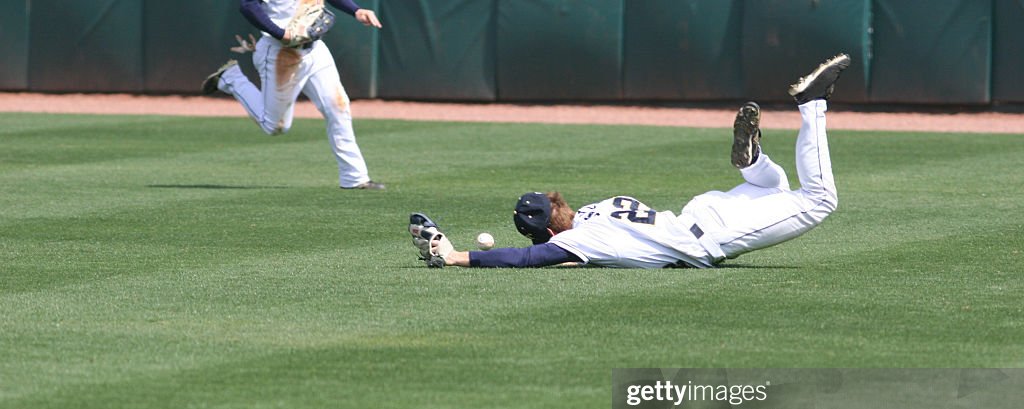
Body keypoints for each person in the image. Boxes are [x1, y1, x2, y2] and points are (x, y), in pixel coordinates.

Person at [409, 53, 851, 268]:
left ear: (548, 230)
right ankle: (752, 163)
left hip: (712, 235)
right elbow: (556, 253)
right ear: (560, 205)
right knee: (771, 186)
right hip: (700, 210)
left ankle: (812, 104)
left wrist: (456, 255)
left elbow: (527, 258)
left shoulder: (584, 239)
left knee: (819, 199)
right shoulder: (598, 209)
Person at [201, 0, 385, 190]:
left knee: (338, 108)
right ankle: (231, 79)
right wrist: (280, 33)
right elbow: (248, 5)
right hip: (280, 53)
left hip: (315, 50)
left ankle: (354, 178)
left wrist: (355, 10)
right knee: (275, 126)